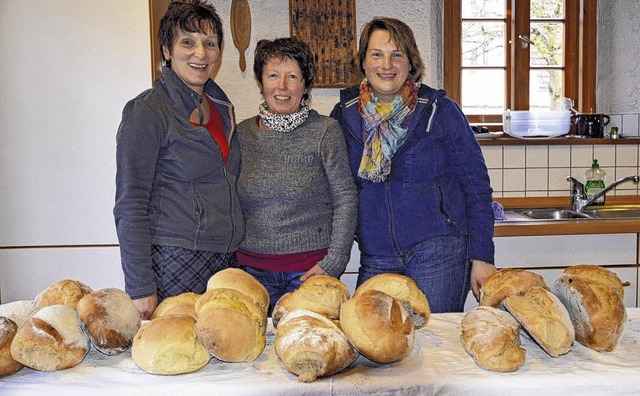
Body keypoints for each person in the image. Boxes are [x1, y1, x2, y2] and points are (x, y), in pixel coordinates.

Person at [330, 17, 496, 313]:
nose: (387, 65)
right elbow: (336, 188)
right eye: (377, 54)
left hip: (439, 253)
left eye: (397, 55)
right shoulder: (343, 116)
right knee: (377, 349)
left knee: (436, 350)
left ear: (410, 62)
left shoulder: (440, 111)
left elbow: (476, 186)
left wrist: (482, 256)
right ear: (364, 61)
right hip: (376, 256)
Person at [114, 0, 244, 319]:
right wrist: (140, 287)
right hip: (174, 261)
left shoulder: (222, 108)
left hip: (226, 259)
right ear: (167, 51)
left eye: (209, 43)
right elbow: (130, 203)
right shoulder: (146, 112)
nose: (200, 53)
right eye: (187, 42)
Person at [236, 37, 357, 314]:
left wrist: (335, 261)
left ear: (305, 84)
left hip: (310, 273)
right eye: (273, 76)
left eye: (292, 76)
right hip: (252, 274)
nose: (282, 86)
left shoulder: (325, 131)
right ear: (261, 82)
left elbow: (345, 197)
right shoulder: (242, 134)